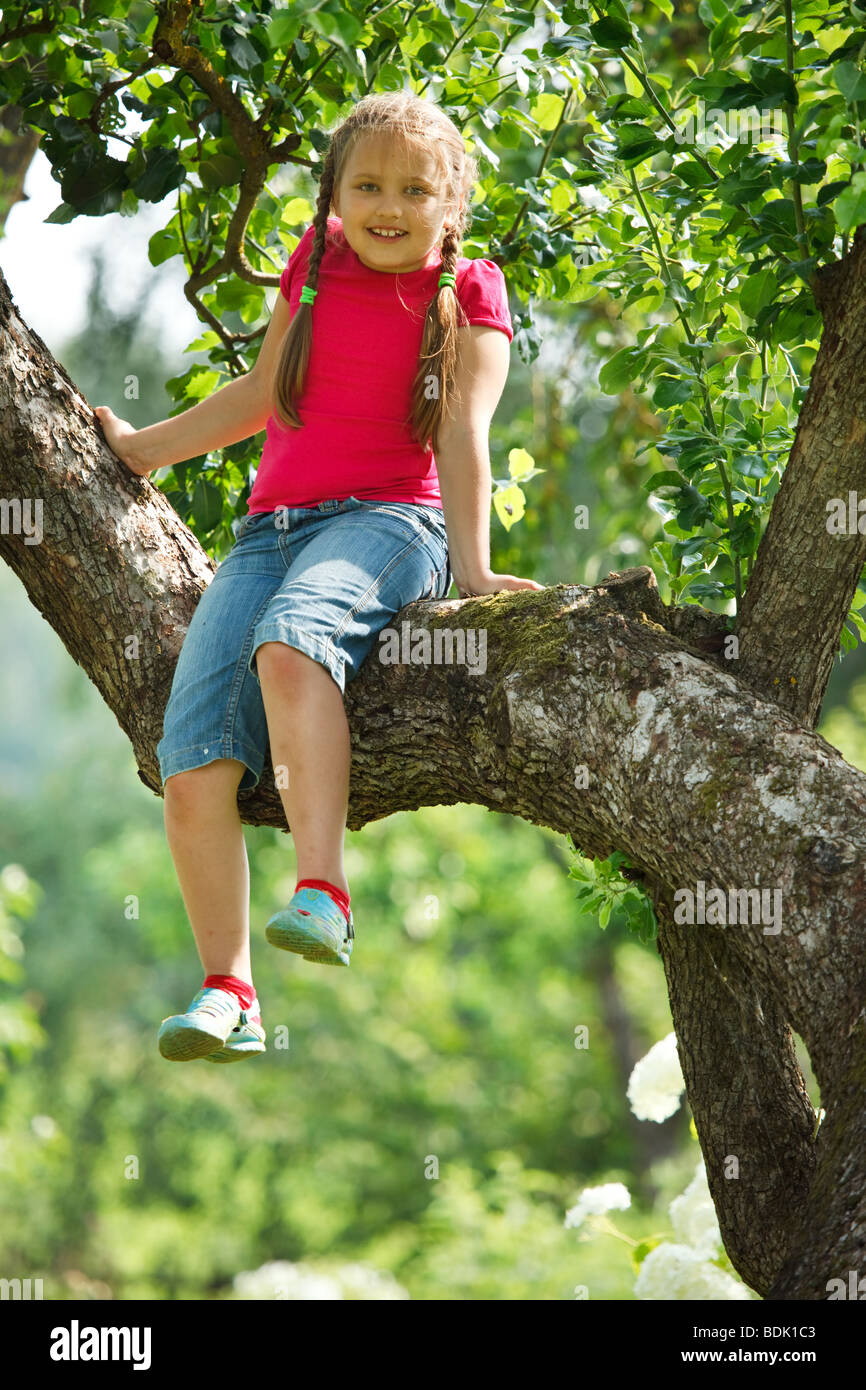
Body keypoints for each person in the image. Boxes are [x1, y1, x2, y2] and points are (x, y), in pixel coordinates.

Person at [94, 89, 543, 1065]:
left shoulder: (468, 290)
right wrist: (142, 454)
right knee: (188, 762)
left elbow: (464, 436)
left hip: (391, 520)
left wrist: (471, 568)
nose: (389, 204)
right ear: (334, 195)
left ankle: (324, 893)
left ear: (449, 202)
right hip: (267, 532)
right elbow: (264, 393)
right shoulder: (315, 266)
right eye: (368, 184)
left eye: (413, 188)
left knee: (293, 644)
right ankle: (229, 992)